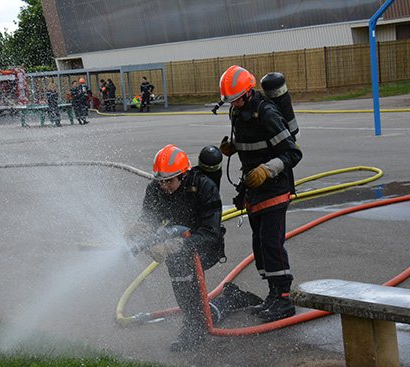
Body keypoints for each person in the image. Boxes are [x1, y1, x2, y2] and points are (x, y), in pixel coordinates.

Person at [218, 65, 302, 322]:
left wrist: (267, 169)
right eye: (229, 101)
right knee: (259, 245)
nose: (234, 105)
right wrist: (234, 147)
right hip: (253, 189)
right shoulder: (237, 112)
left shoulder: (266, 112)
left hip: (274, 187)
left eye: (236, 99)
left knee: (271, 242)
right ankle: (272, 294)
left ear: (248, 92)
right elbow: (254, 141)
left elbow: (292, 153)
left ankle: (284, 298)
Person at [126, 145, 225, 351]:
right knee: (182, 282)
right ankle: (216, 307)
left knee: (186, 279)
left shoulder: (205, 187)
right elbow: (149, 217)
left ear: (184, 174)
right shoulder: (156, 187)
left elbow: (211, 232)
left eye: (169, 181)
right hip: (175, 244)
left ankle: (194, 327)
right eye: (161, 180)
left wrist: (176, 245)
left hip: (205, 245)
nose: (164, 186)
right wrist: (142, 229)